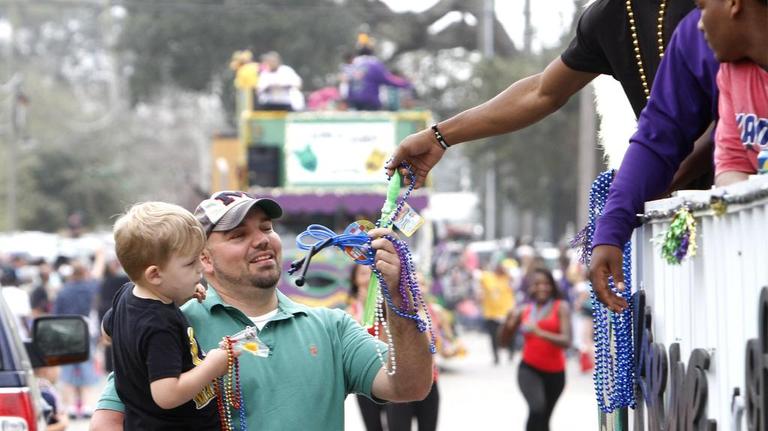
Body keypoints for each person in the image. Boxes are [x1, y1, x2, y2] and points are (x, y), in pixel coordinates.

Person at [90, 191, 433, 431]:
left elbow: (410, 386)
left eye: (267, 228)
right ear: (203, 259)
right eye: (239, 234)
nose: (262, 239)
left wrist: (400, 300)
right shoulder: (171, 323)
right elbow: (109, 421)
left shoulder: (332, 327)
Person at [385, 0, 709, 188]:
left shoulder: (717, 8)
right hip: (670, 200)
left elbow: (736, 113)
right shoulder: (607, 16)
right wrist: (439, 136)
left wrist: (651, 180)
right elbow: (542, 93)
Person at [588, 8, 720, 312]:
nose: (698, 18)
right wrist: (611, 228)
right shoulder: (693, 35)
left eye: (701, 5)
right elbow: (659, 136)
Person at [101, 202, 232, 430]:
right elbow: (167, 394)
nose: (200, 269)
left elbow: (107, 332)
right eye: (190, 263)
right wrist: (212, 365)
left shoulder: (127, 295)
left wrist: (179, 295)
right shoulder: (160, 324)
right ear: (154, 274)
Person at [699, 0, 767, 186]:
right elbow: (731, 168)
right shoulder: (731, 73)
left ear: (733, 3)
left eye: (701, 7)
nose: (699, 25)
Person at [499, 267, 572, 431]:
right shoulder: (524, 310)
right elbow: (503, 343)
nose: (542, 287)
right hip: (529, 370)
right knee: (537, 409)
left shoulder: (561, 307)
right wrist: (507, 324)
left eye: (546, 283)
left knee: (545, 417)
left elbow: (567, 341)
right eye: (537, 284)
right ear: (530, 287)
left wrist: (539, 332)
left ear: (552, 286)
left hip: (556, 373)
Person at [346, 264, 386, 431]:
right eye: (363, 274)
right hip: (366, 377)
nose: (368, 278)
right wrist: (364, 308)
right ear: (355, 279)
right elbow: (353, 344)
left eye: (372, 274)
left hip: (387, 372)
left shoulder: (387, 307)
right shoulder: (350, 312)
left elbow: (388, 342)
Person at [346, 33, 412, 111]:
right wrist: (406, 83)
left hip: (353, 104)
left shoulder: (353, 64)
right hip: (370, 104)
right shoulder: (374, 64)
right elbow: (388, 80)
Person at [477, 261, 515, 365]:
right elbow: (480, 286)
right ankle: (496, 357)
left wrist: (508, 272)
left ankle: (511, 353)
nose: (501, 269)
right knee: (493, 336)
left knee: (509, 334)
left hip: (506, 312)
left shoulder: (507, 278)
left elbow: (515, 283)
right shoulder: (487, 277)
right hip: (491, 313)